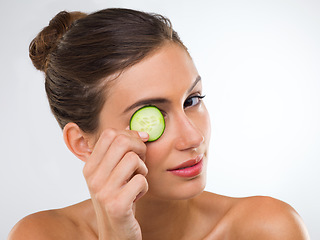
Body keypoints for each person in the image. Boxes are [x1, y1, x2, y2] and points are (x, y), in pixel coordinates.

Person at [8, 8, 309, 240]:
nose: (192, 138)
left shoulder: (266, 228)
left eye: (192, 100)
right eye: (152, 113)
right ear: (82, 143)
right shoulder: (41, 234)